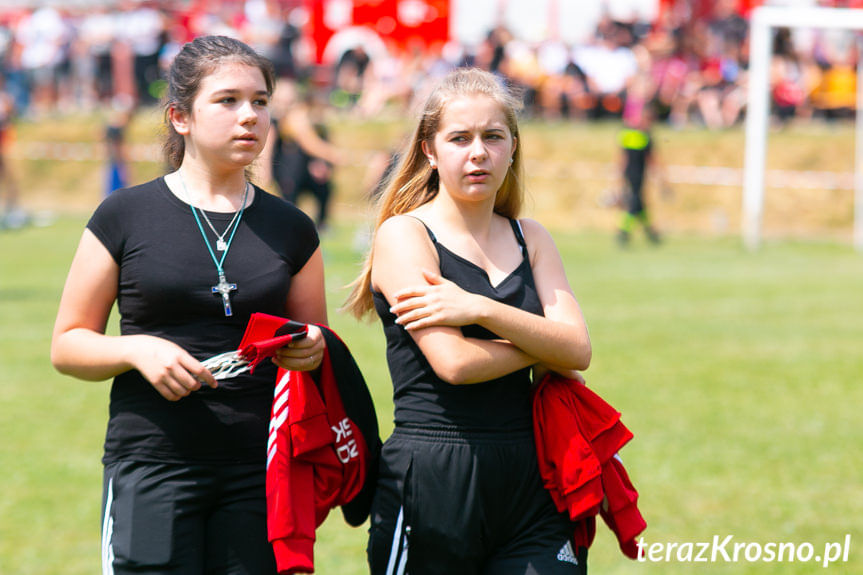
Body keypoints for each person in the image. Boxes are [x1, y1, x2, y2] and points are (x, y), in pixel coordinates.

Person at [50, 35, 327, 574]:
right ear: (181, 117)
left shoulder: (292, 228)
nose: (249, 116)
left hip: (258, 471)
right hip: (152, 464)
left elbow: (315, 343)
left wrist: (312, 347)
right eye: (227, 101)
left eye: (261, 101)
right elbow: (67, 345)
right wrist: (138, 350)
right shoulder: (124, 215)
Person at [345, 68, 592, 574]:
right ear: (430, 151)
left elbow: (579, 350)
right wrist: (547, 341)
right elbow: (454, 362)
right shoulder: (403, 235)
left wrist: (479, 308)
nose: (477, 152)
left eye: (492, 136)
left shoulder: (532, 237)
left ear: (512, 146)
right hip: (433, 479)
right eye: (459, 138)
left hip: (532, 477)